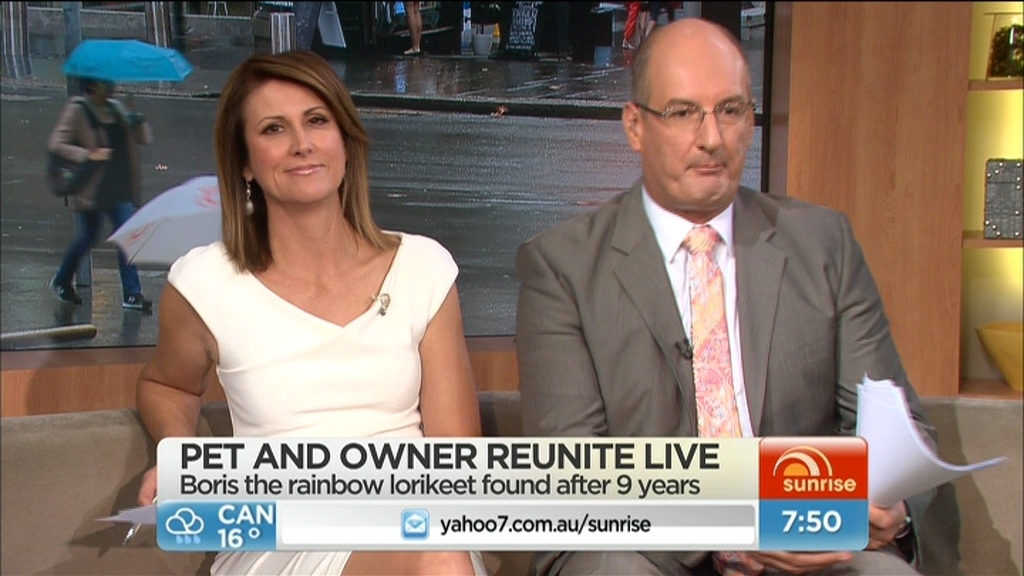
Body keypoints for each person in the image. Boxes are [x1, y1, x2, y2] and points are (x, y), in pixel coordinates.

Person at [515, 18, 958, 576]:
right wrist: (741, 516)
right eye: (683, 113)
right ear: (635, 126)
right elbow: (572, 474)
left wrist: (888, 508)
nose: (712, 138)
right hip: (641, 549)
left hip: (812, 542)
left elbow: (897, 430)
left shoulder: (823, 243)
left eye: (730, 110)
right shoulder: (563, 266)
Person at [135, 50, 486, 575]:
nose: (301, 143)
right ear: (245, 163)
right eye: (274, 129)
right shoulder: (205, 284)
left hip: (416, 524)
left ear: (344, 141)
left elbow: (456, 460)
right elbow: (168, 386)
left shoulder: (422, 269)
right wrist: (179, 453)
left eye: (317, 121)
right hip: (284, 532)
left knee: (439, 551)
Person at [47, 77, 154, 311]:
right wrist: (88, 154)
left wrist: (137, 119)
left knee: (127, 236)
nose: (112, 86)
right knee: (87, 238)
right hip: (92, 189)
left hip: (120, 187)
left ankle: (132, 293)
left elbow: (144, 139)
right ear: (93, 86)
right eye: (106, 83)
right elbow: (56, 144)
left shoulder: (116, 108)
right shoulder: (78, 109)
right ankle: (62, 280)